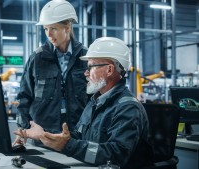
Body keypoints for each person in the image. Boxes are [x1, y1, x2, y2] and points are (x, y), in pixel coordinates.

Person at [14, 37, 153, 169]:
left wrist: (67, 145)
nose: (85, 73)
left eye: (91, 67)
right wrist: (43, 135)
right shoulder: (94, 102)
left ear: (109, 69)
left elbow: (114, 157)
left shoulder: (128, 108)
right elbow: (76, 137)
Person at [15, 0, 88, 144]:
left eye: (53, 28)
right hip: (42, 135)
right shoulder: (37, 58)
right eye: (45, 29)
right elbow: (24, 97)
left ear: (67, 27)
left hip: (76, 135)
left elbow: (93, 100)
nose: (49, 34)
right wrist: (23, 131)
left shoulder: (86, 58)